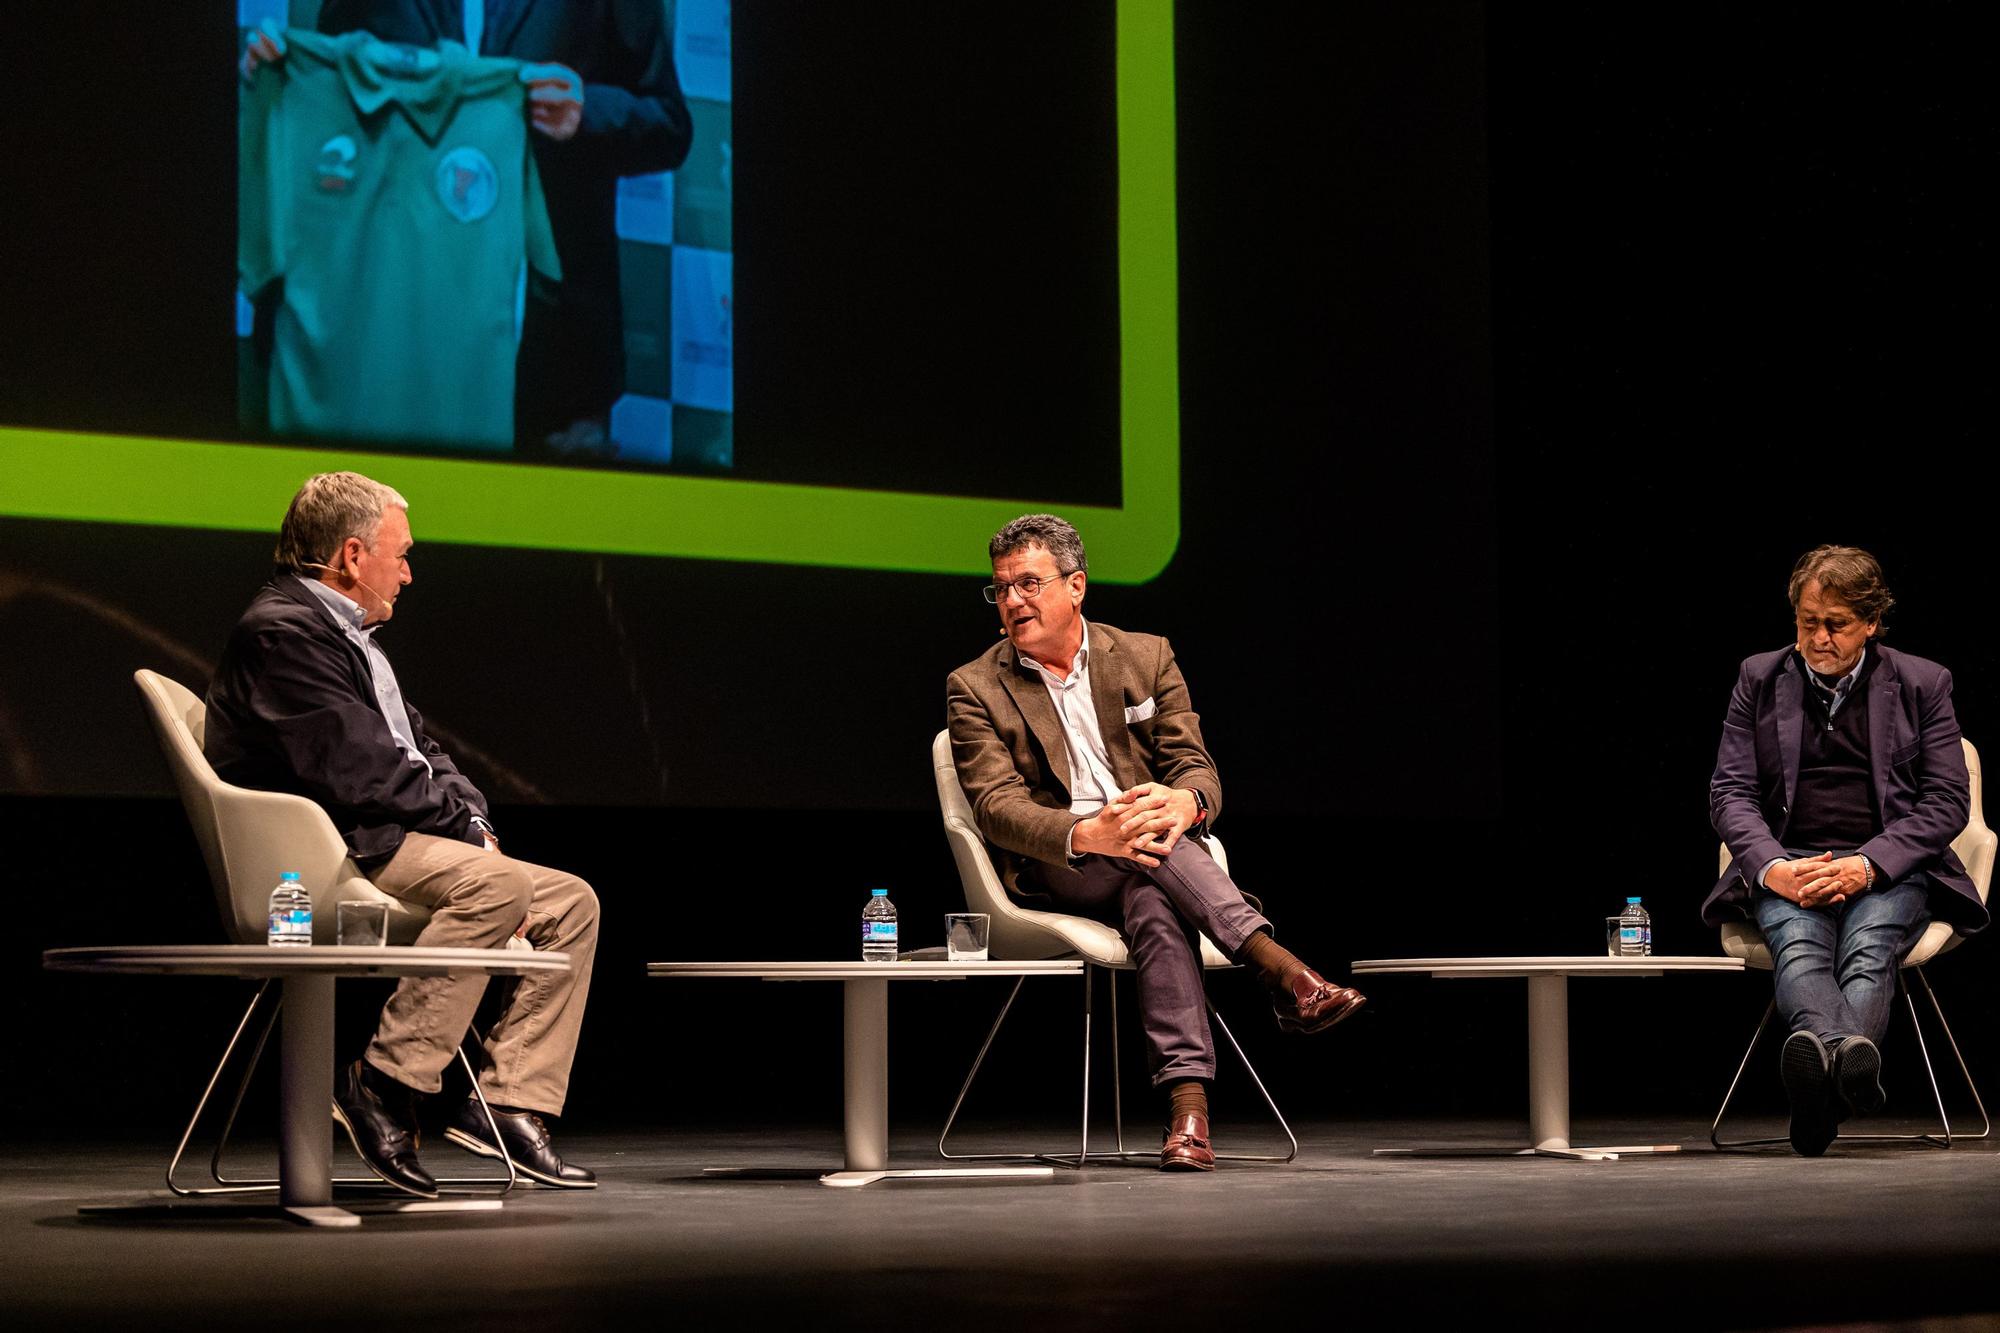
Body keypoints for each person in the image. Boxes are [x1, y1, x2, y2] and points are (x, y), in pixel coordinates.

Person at [205, 472, 601, 1195]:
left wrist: (475, 823)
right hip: (333, 850)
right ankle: (384, 1082)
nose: (410, 572)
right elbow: (360, 772)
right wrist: (467, 838)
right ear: (353, 556)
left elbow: (425, 753)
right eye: (402, 553)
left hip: (389, 833)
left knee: (571, 901)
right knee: (500, 882)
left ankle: (511, 1103)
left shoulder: (349, 638)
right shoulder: (283, 633)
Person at [945, 514, 1365, 1171]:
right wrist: (1088, 830)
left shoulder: (1146, 656)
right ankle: (1281, 969)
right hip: (1065, 862)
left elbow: (1196, 767)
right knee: (1143, 845)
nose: (1012, 601)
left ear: (1075, 585)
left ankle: (1187, 1116)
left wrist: (1186, 801)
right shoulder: (974, 685)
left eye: (1028, 583)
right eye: (999, 589)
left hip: (1149, 856)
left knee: (1151, 896)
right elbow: (997, 808)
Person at [253, 0, 694, 452]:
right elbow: (334, 89)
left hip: (556, 353)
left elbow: (670, 127)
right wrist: (278, 76)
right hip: (402, 334)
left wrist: (588, 112)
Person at [1704, 545, 1985, 1156]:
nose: (1819, 637)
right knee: (1799, 948)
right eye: (1808, 622)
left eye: (1836, 623)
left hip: (1887, 868)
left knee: (1867, 948)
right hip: (1792, 862)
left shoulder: (1922, 683)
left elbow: (1945, 803)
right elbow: (1729, 793)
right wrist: (1773, 868)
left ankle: (1817, 1094)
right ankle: (1843, 1073)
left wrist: (1868, 865)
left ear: (1871, 622)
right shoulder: (1758, 678)